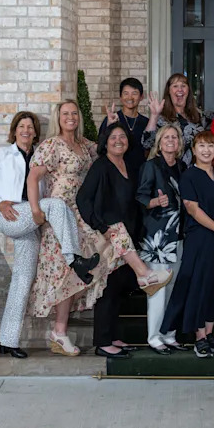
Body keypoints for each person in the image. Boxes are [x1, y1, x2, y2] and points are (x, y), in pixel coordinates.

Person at [0, 111, 99, 359]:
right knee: (55, 204)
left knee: (22, 281)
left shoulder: (39, 155)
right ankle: (74, 259)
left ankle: (8, 342)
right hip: (11, 215)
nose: (26, 131)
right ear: (14, 130)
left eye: (30, 127)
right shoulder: (1, 155)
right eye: (22, 126)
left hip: (30, 223)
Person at [26, 100, 125, 356]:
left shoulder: (84, 145)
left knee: (101, 258)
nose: (70, 117)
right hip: (60, 217)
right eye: (65, 114)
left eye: (74, 113)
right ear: (58, 118)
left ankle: (73, 331)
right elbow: (33, 177)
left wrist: (111, 123)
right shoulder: (52, 145)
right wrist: (36, 210)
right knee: (63, 271)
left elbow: (108, 147)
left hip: (82, 214)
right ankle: (59, 333)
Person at [77, 123, 173, 359]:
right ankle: (102, 342)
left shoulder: (130, 165)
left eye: (122, 137)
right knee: (108, 289)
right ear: (105, 142)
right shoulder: (101, 166)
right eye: (113, 137)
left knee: (119, 287)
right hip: (110, 236)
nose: (118, 140)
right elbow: (83, 199)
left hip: (128, 238)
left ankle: (112, 336)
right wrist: (101, 227)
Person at [161, 131, 214, 358]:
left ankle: (211, 332)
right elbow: (192, 209)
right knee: (199, 286)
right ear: (193, 150)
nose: (206, 150)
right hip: (200, 237)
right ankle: (200, 337)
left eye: (210, 146)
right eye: (201, 146)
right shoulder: (190, 176)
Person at [135, 123, 186, 354]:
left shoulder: (183, 167)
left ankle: (169, 334)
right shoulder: (151, 166)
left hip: (179, 235)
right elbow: (140, 197)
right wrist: (156, 202)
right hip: (157, 237)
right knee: (158, 287)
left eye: (175, 137)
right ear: (159, 142)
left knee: (174, 287)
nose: (171, 141)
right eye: (166, 137)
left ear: (179, 143)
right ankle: (154, 336)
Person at [141, 73, 212, 167]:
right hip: (171, 172)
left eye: (183, 86)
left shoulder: (199, 116)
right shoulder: (162, 118)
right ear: (169, 91)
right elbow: (146, 143)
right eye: (175, 86)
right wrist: (154, 115)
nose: (180, 89)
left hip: (196, 172)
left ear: (188, 91)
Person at [99, 77, 149, 179]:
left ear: (141, 96)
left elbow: (149, 150)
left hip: (139, 174)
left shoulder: (146, 122)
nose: (130, 97)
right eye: (126, 93)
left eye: (134, 93)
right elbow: (101, 146)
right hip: (115, 174)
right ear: (120, 97)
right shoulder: (112, 119)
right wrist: (109, 124)